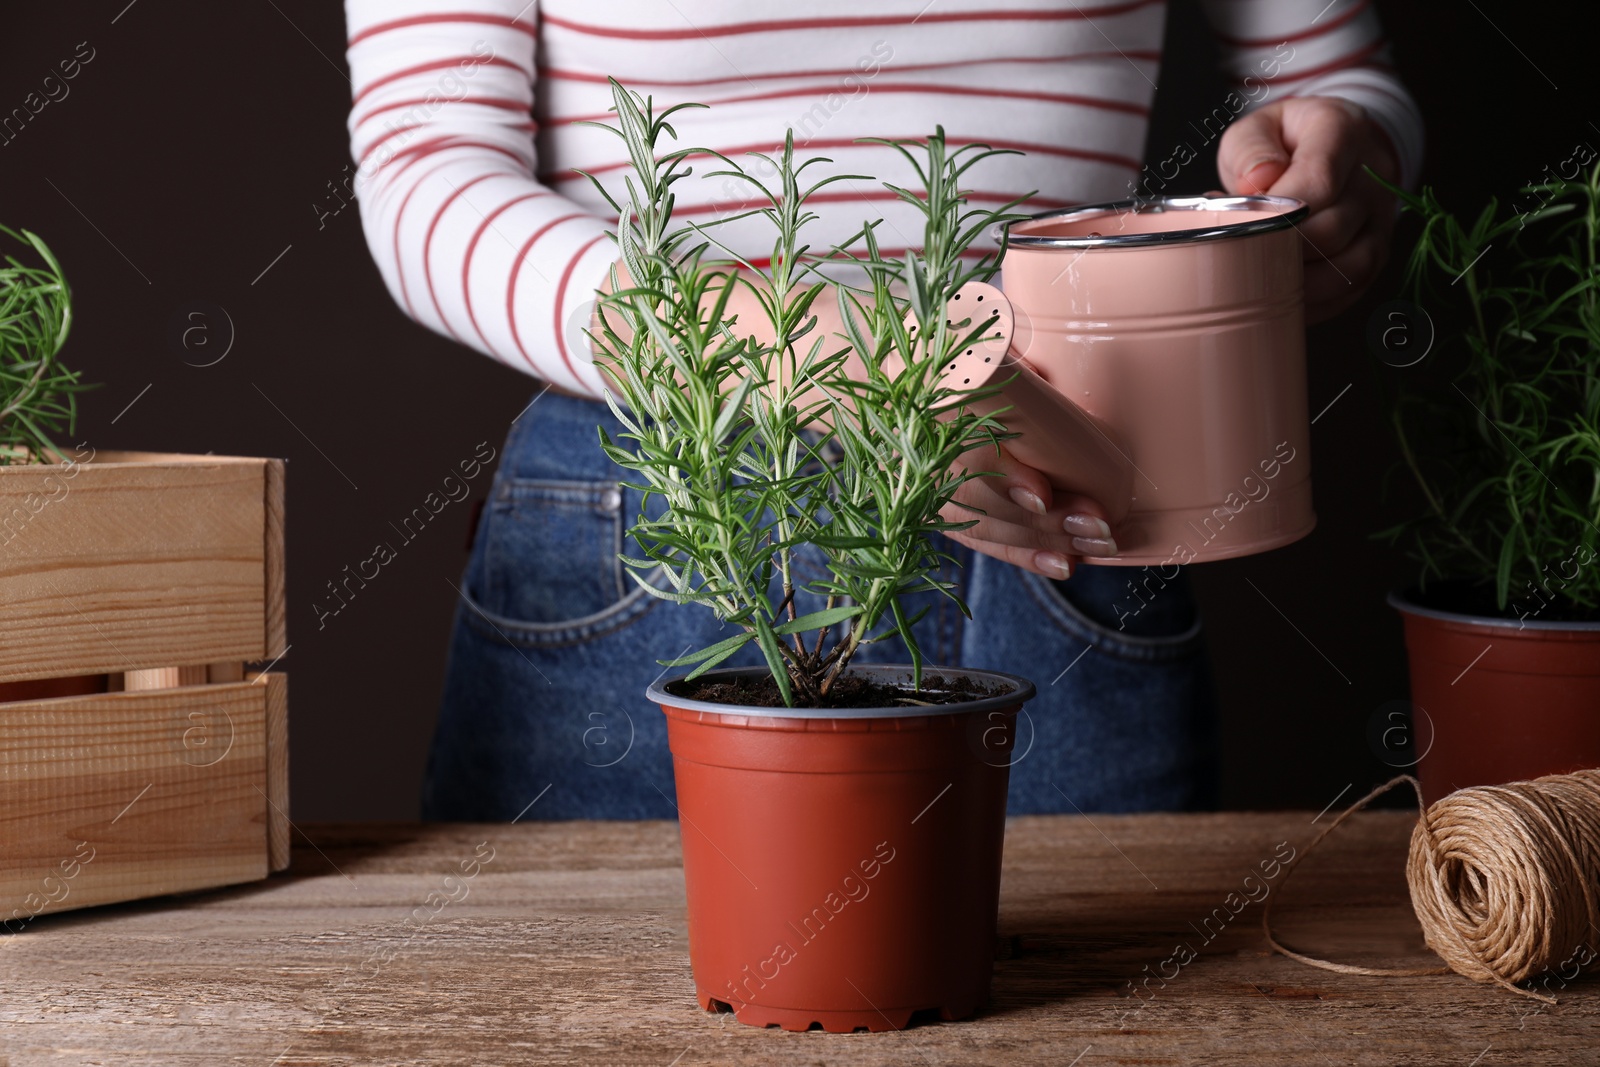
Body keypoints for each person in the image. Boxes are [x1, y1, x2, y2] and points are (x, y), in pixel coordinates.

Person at [342, 0, 1421, 820]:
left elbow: (1332, 78)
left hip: (1052, 504)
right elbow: (426, 165)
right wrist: (806, 346)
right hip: (670, 500)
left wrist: (1341, 162)